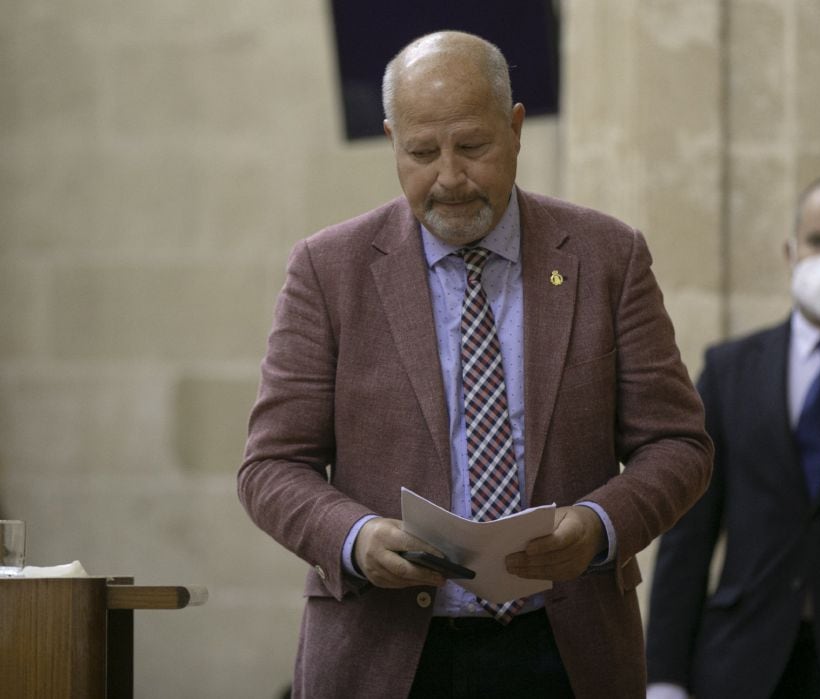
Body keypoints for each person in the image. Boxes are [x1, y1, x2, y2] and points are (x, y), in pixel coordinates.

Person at [238, 30, 712, 698]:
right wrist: (355, 536)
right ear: (391, 142)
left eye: (473, 146)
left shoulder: (608, 257)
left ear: (515, 129)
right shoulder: (328, 270)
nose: (450, 177)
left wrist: (599, 526)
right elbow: (270, 465)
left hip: (567, 651)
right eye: (422, 153)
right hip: (386, 654)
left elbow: (678, 444)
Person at [645, 173, 820, 698]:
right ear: (791, 251)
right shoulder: (732, 369)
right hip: (740, 661)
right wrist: (664, 678)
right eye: (818, 241)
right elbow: (688, 537)